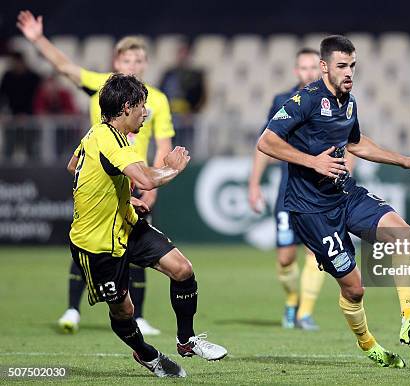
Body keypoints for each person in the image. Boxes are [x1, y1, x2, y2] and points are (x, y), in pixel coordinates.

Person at [257, 35, 410, 368]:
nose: (349, 72)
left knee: (404, 235)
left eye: (352, 65)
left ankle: (409, 320)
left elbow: (355, 143)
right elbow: (266, 141)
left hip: (343, 194)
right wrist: (312, 161)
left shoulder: (348, 101)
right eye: (342, 65)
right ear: (324, 67)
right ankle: (369, 345)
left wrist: (403, 159)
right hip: (310, 211)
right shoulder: (305, 100)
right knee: (355, 290)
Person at [17, 10, 173, 335]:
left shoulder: (155, 99)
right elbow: (64, 66)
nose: (134, 65)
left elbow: (163, 143)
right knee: (88, 240)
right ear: (117, 61)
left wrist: (153, 185)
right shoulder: (103, 87)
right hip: (100, 178)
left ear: (145, 64)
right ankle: (73, 309)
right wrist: (37, 40)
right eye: (128, 59)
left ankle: (137, 314)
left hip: (135, 179)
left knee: (136, 243)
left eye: (139, 60)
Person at [67, 73, 226, 377]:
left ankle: (186, 340)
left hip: (127, 224)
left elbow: (74, 165)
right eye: (142, 106)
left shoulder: (97, 134)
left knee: (182, 269)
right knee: (123, 311)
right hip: (97, 244)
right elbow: (148, 179)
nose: (146, 113)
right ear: (126, 107)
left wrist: (120, 197)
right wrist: (173, 168)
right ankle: (146, 354)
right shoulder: (111, 140)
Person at [248, 48, 325, 331]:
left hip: (320, 191)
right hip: (289, 190)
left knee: (316, 252)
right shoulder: (282, 101)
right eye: (303, 68)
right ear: (296, 71)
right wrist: (254, 183)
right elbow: (265, 143)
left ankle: (305, 312)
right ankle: (293, 300)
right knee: (285, 256)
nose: (309, 73)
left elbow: (351, 140)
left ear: (322, 69)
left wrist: (345, 172)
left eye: (313, 68)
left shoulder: (334, 100)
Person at [0, 50, 41, 160]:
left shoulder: (33, 77)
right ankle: (6, 174)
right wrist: (4, 114)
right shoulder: (8, 76)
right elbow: (2, 97)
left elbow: (37, 98)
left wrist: (27, 114)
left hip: (29, 119)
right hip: (12, 119)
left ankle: (34, 173)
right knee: (9, 148)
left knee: (31, 148)